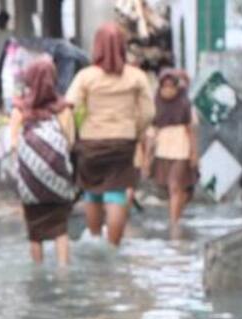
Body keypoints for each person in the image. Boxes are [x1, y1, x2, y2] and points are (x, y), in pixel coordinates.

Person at [65, 22, 154, 246]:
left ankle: (95, 238)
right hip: (123, 142)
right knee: (116, 192)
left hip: (91, 142)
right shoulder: (136, 77)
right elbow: (148, 112)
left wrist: (77, 132)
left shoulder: (86, 76)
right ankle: (114, 245)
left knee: (93, 192)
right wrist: (135, 131)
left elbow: (71, 105)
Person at [9, 56, 76, 265]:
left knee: (35, 229)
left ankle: (37, 268)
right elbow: (70, 141)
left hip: (30, 178)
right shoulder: (62, 109)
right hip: (58, 175)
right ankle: (63, 269)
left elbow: (13, 143)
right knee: (60, 227)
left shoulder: (20, 110)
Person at [146, 69, 198, 229]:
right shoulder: (155, 104)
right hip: (163, 149)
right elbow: (151, 130)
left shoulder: (185, 104)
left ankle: (174, 222)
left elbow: (191, 129)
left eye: (171, 86)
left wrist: (194, 153)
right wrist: (147, 157)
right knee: (171, 188)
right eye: (164, 86)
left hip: (181, 147)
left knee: (175, 185)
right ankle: (176, 216)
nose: (168, 90)